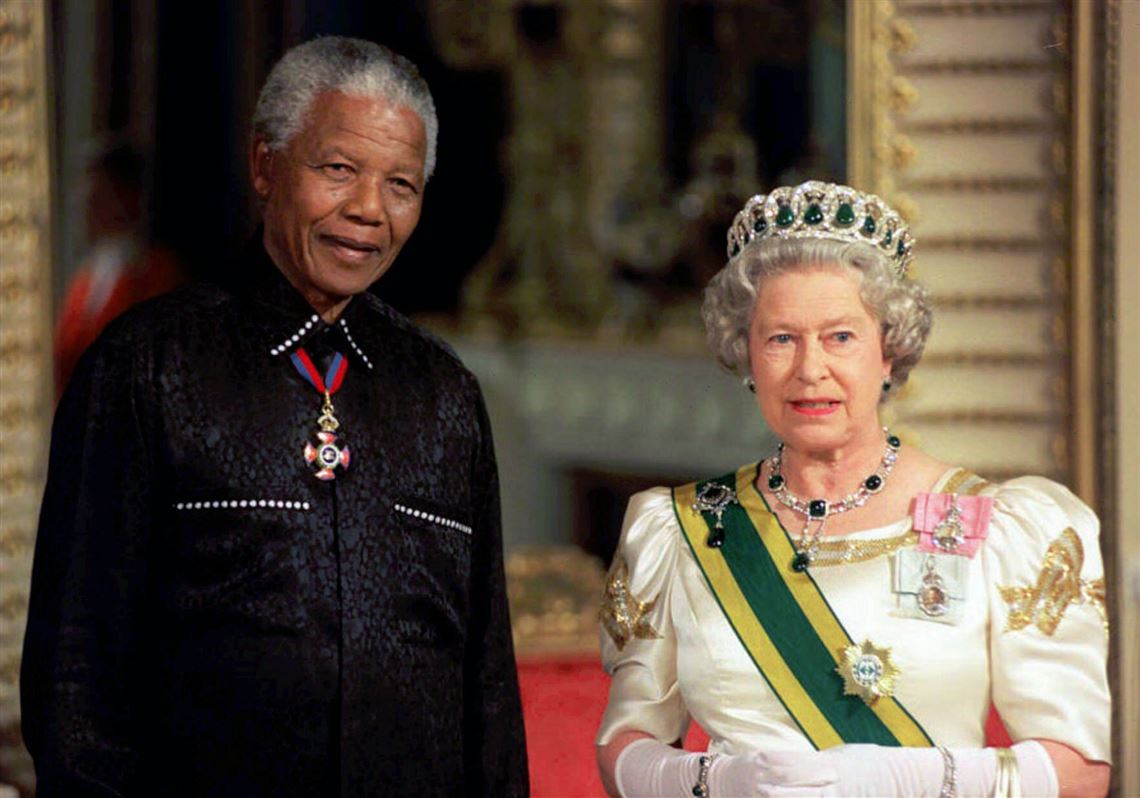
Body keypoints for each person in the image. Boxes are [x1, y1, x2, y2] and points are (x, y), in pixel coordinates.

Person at [22, 37, 527, 797]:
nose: (368, 210)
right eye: (338, 169)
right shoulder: (145, 365)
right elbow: (75, 672)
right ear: (265, 167)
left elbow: (486, 686)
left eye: (401, 184)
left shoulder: (444, 393)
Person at [595, 181, 1111, 797]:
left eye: (841, 336)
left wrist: (910, 778)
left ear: (889, 352)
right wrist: (720, 780)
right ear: (747, 354)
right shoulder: (680, 530)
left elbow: (1080, 771)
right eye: (781, 338)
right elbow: (624, 747)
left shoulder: (1002, 526)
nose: (810, 370)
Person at [53, 141, 183, 398]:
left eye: (100, 195)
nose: (87, 207)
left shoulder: (157, 272)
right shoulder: (85, 280)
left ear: (127, 196)